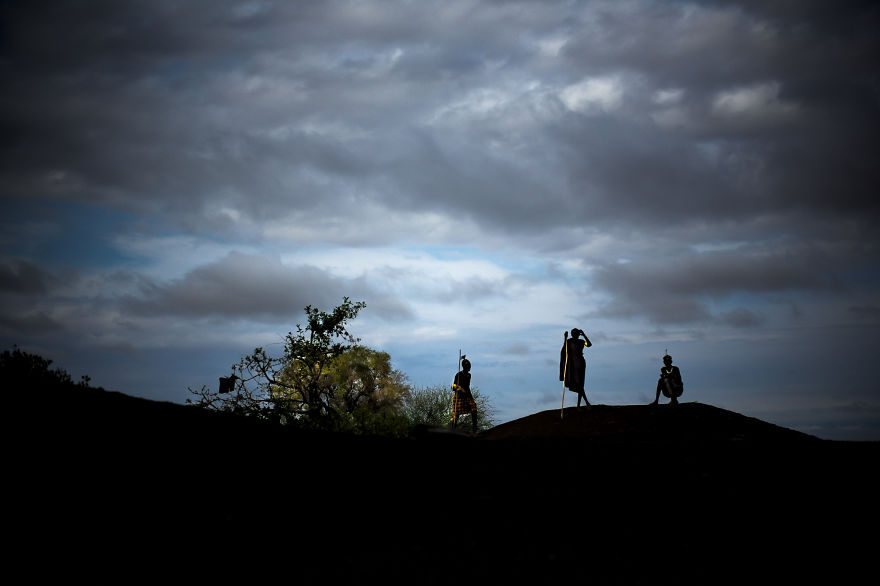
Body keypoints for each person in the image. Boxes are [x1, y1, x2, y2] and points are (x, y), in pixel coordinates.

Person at [559, 328, 592, 408]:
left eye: (576, 333)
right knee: (579, 385)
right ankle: (584, 403)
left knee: (580, 385)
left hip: (580, 363)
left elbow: (589, 344)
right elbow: (564, 350)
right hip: (573, 365)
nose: (575, 335)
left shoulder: (581, 342)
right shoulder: (569, 341)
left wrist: (584, 335)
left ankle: (580, 405)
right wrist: (565, 338)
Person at [452, 355, 478, 432]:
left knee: (474, 409)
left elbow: (467, 387)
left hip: (467, 396)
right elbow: (454, 386)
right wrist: (459, 388)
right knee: (456, 415)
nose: (469, 368)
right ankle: (452, 429)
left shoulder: (469, 375)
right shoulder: (458, 375)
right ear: (464, 367)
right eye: (468, 366)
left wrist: (470, 397)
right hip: (459, 396)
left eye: (469, 366)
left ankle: (474, 429)